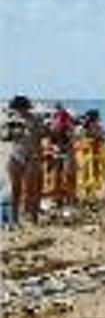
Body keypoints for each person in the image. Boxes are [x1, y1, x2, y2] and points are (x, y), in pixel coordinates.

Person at [5, 96, 43, 224]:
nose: (18, 112)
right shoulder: (12, 120)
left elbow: (40, 137)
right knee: (15, 190)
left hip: (31, 157)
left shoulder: (35, 119)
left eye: (19, 109)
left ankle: (33, 218)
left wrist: (29, 130)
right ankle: (14, 220)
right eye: (16, 109)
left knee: (31, 189)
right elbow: (5, 137)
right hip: (15, 156)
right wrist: (12, 131)